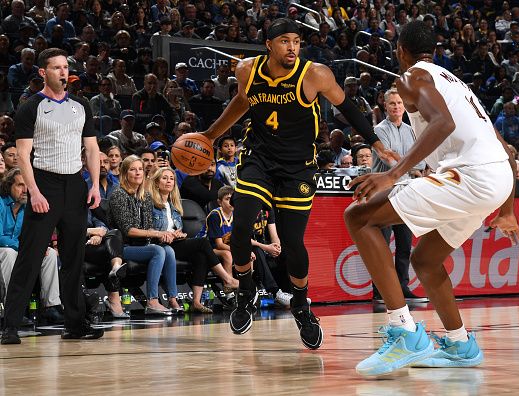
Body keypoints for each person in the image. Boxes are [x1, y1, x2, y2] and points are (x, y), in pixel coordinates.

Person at [344, 21, 519, 375]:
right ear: (436, 51)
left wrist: (392, 174)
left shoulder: (411, 77)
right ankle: (460, 344)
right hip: (495, 177)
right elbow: (505, 149)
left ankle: (404, 333)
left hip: (471, 175)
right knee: (426, 259)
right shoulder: (456, 84)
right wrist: (507, 209)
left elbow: (442, 123)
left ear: (400, 51)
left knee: (359, 218)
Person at [202, 18, 396, 349]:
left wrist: (376, 143)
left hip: (297, 167)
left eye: (296, 41)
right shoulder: (247, 70)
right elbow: (242, 101)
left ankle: (301, 304)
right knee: (242, 225)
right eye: (285, 41)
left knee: (293, 243)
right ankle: (246, 291)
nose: (292, 47)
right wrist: (210, 134)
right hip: (258, 159)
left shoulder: (314, 74)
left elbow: (346, 106)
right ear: (269, 45)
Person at [2, 48, 103, 345]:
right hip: (43, 182)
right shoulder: (30, 106)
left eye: (65, 66)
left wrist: (95, 184)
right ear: (43, 73)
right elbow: (22, 154)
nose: (62, 72)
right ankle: (10, 325)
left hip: (75, 185)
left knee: (74, 258)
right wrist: (33, 191)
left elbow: (92, 148)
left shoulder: (81, 104)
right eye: (56, 67)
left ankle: (75, 323)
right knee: (30, 256)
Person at [148, 167, 239, 313]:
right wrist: (163, 233)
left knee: (201, 256)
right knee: (202, 243)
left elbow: (178, 228)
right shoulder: (150, 204)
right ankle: (227, 279)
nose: (168, 181)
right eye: (164, 178)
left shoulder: (175, 205)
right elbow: (149, 228)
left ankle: (196, 301)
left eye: (171, 178)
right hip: (161, 245)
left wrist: (180, 234)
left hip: (176, 242)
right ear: (157, 182)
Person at [108, 155, 181, 315]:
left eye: (140, 169)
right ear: (125, 173)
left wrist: (164, 235)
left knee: (168, 250)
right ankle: (152, 301)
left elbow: (147, 226)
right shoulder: (118, 194)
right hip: (122, 248)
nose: (138, 173)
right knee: (158, 250)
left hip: (141, 245)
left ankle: (172, 298)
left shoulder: (145, 195)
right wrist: (156, 233)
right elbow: (128, 230)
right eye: (133, 169)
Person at [372, 88, 426, 301]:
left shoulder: (411, 130)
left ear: (405, 106)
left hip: (406, 193)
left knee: (404, 245)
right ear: (385, 105)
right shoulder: (378, 130)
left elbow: (421, 162)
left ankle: (402, 288)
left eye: (399, 103)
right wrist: (408, 163)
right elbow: (388, 159)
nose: (396, 106)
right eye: (392, 103)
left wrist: (401, 159)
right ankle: (381, 292)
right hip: (383, 194)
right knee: (383, 247)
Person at [0, 168, 63, 324]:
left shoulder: (27, 207)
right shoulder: (0, 204)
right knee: (8, 253)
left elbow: (34, 235)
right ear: (9, 186)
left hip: (18, 249)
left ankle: (51, 306)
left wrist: (37, 248)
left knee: (49, 253)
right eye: (21, 185)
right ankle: (12, 308)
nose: (25, 190)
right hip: (5, 250)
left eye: (28, 185)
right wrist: (25, 248)